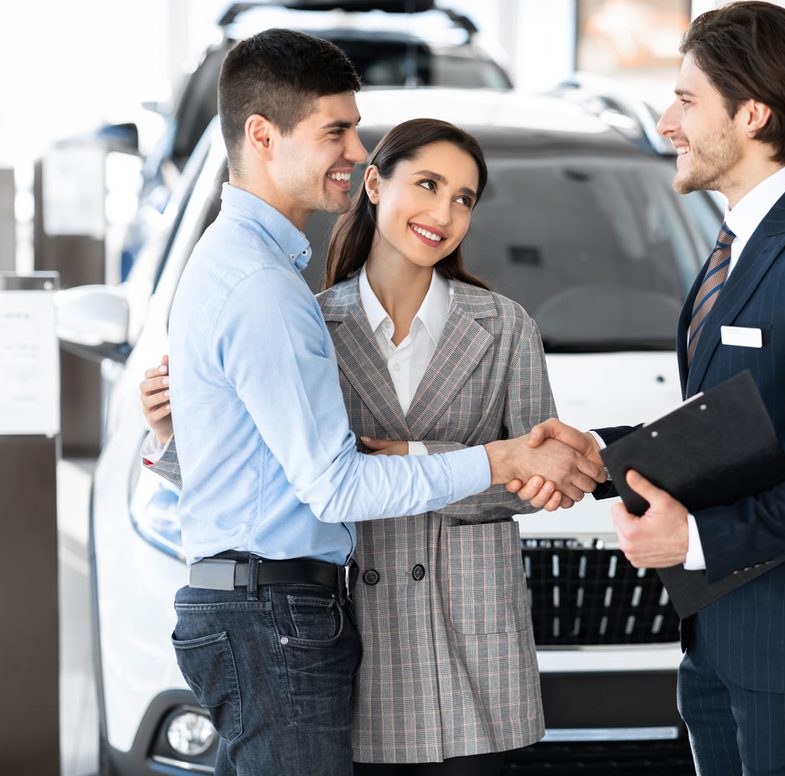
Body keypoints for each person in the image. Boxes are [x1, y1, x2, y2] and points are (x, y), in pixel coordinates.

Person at [144, 29, 600, 776]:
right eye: (338, 131)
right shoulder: (285, 298)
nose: (355, 150)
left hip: (416, 636)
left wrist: (187, 423)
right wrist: (496, 457)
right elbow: (331, 484)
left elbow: (265, 466)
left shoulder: (499, 323)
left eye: (465, 199)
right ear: (264, 136)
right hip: (297, 619)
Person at [511, 3, 785, 773]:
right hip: (725, 636)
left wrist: (698, 540)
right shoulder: (740, 241)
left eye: (687, 100)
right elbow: (737, 423)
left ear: (754, 113)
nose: (667, 122)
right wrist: (605, 455)